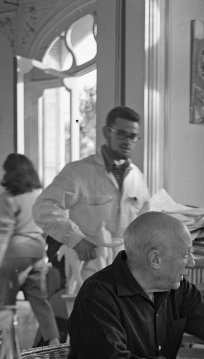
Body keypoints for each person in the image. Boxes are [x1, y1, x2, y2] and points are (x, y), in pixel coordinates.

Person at [67, 211, 204, 359]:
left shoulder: (177, 289)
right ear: (155, 259)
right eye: (186, 254)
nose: (192, 263)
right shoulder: (97, 296)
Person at [33, 106, 150, 287]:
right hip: (88, 267)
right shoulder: (78, 172)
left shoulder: (138, 178)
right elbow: (43, 207)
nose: (127, 141)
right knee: (88, 313)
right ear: (106, 132)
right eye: (121, 133)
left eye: (133, 136)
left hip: (127, 271)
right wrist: (75, 238)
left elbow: (145, 224)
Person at [0, 154, 59, 345]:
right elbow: (47, 225)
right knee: (40, 301)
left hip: (15, 254)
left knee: (6, 304)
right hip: (37, 253)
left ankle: (6, 350)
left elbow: (4, 232)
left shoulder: (8, 198)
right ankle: (54, 341)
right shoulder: (40, 195)